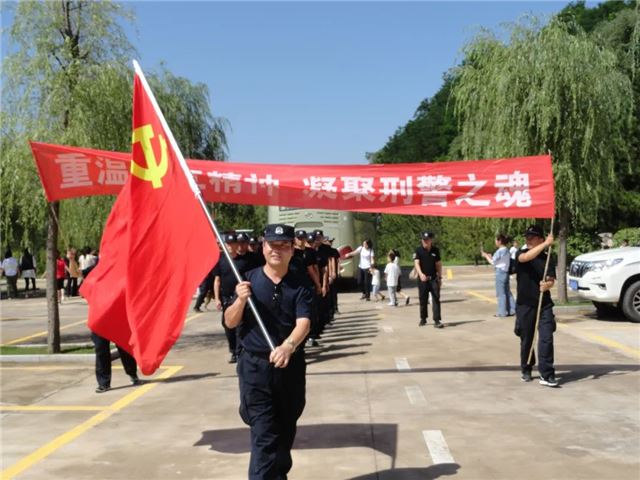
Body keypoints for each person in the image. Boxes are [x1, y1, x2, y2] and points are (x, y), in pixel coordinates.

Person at [224, 224, 312, 479]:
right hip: (255, 368)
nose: (277, 250)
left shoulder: (300, 284)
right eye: (272, 245)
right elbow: (230, 321)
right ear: (263, 247)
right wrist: (241, 300)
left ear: (292, 249)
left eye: (283, 245)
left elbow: (304, 323)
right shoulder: (247, 281)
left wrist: (288, 346)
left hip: (289, 367)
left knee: (285, 433)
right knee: (264, 435)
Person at [514, 225, 558, 387]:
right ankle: (526, 367)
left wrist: (547, 285)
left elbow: (551, 279)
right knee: (527, 339)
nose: (528, 240)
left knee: (546, 338)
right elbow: (525, 258)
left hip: (544, 304)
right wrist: (546, 243)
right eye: (527, 237)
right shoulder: (521, 254)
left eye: (532, 237)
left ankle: (547, 374)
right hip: (525, 304)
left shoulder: (547, 258)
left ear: (540, 238)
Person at [413, 231, 443, 328]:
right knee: (423, 299)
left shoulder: (435, 250)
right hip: (423, 279)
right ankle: (423, 318)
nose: (425, 241)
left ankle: (437, 320)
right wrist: (421, 274)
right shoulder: (418, 250)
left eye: (427, 240)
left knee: (436, 299)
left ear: (431, 240)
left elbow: (438, 264)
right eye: (424, 240)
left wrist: (440, 277)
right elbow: (416, 263)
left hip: (433, 279)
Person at [481, 234, 516, 317]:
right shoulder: (506, 250)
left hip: (500, 273)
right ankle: (512, 309)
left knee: (501, 293)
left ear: (499, 241)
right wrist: (490, 256)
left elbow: (493, 262)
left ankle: (502, 312)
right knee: (507, 292)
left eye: (496, 240)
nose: (495, 242)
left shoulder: (500, 251)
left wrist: (486, 256)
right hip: (505, 272)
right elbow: (498, 261)